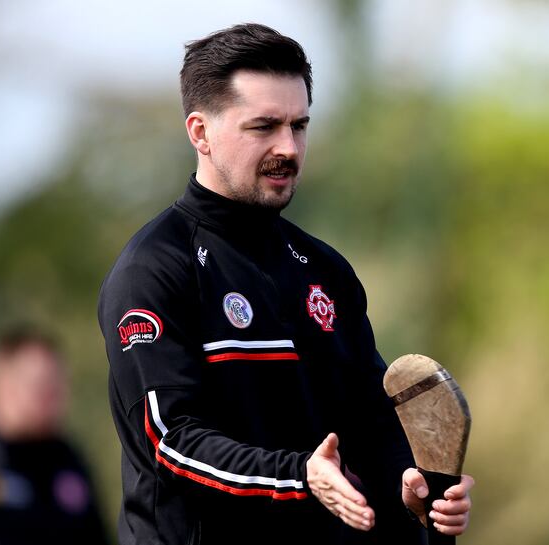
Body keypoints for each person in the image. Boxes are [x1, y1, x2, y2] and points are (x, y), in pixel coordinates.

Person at [97, 23, 473, 545]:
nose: (288, 147)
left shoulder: (326, 270)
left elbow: (371, 421)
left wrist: (413, 489)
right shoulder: (155, 267)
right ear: (200, 133)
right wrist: (299, 476)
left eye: (299, 125)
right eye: (263, 127)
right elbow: (172, 441)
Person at [0, 328, 108, 545]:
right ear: (0, 386)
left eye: (59, 385)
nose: (55, 397)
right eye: (41, 386)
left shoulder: (70, 464)